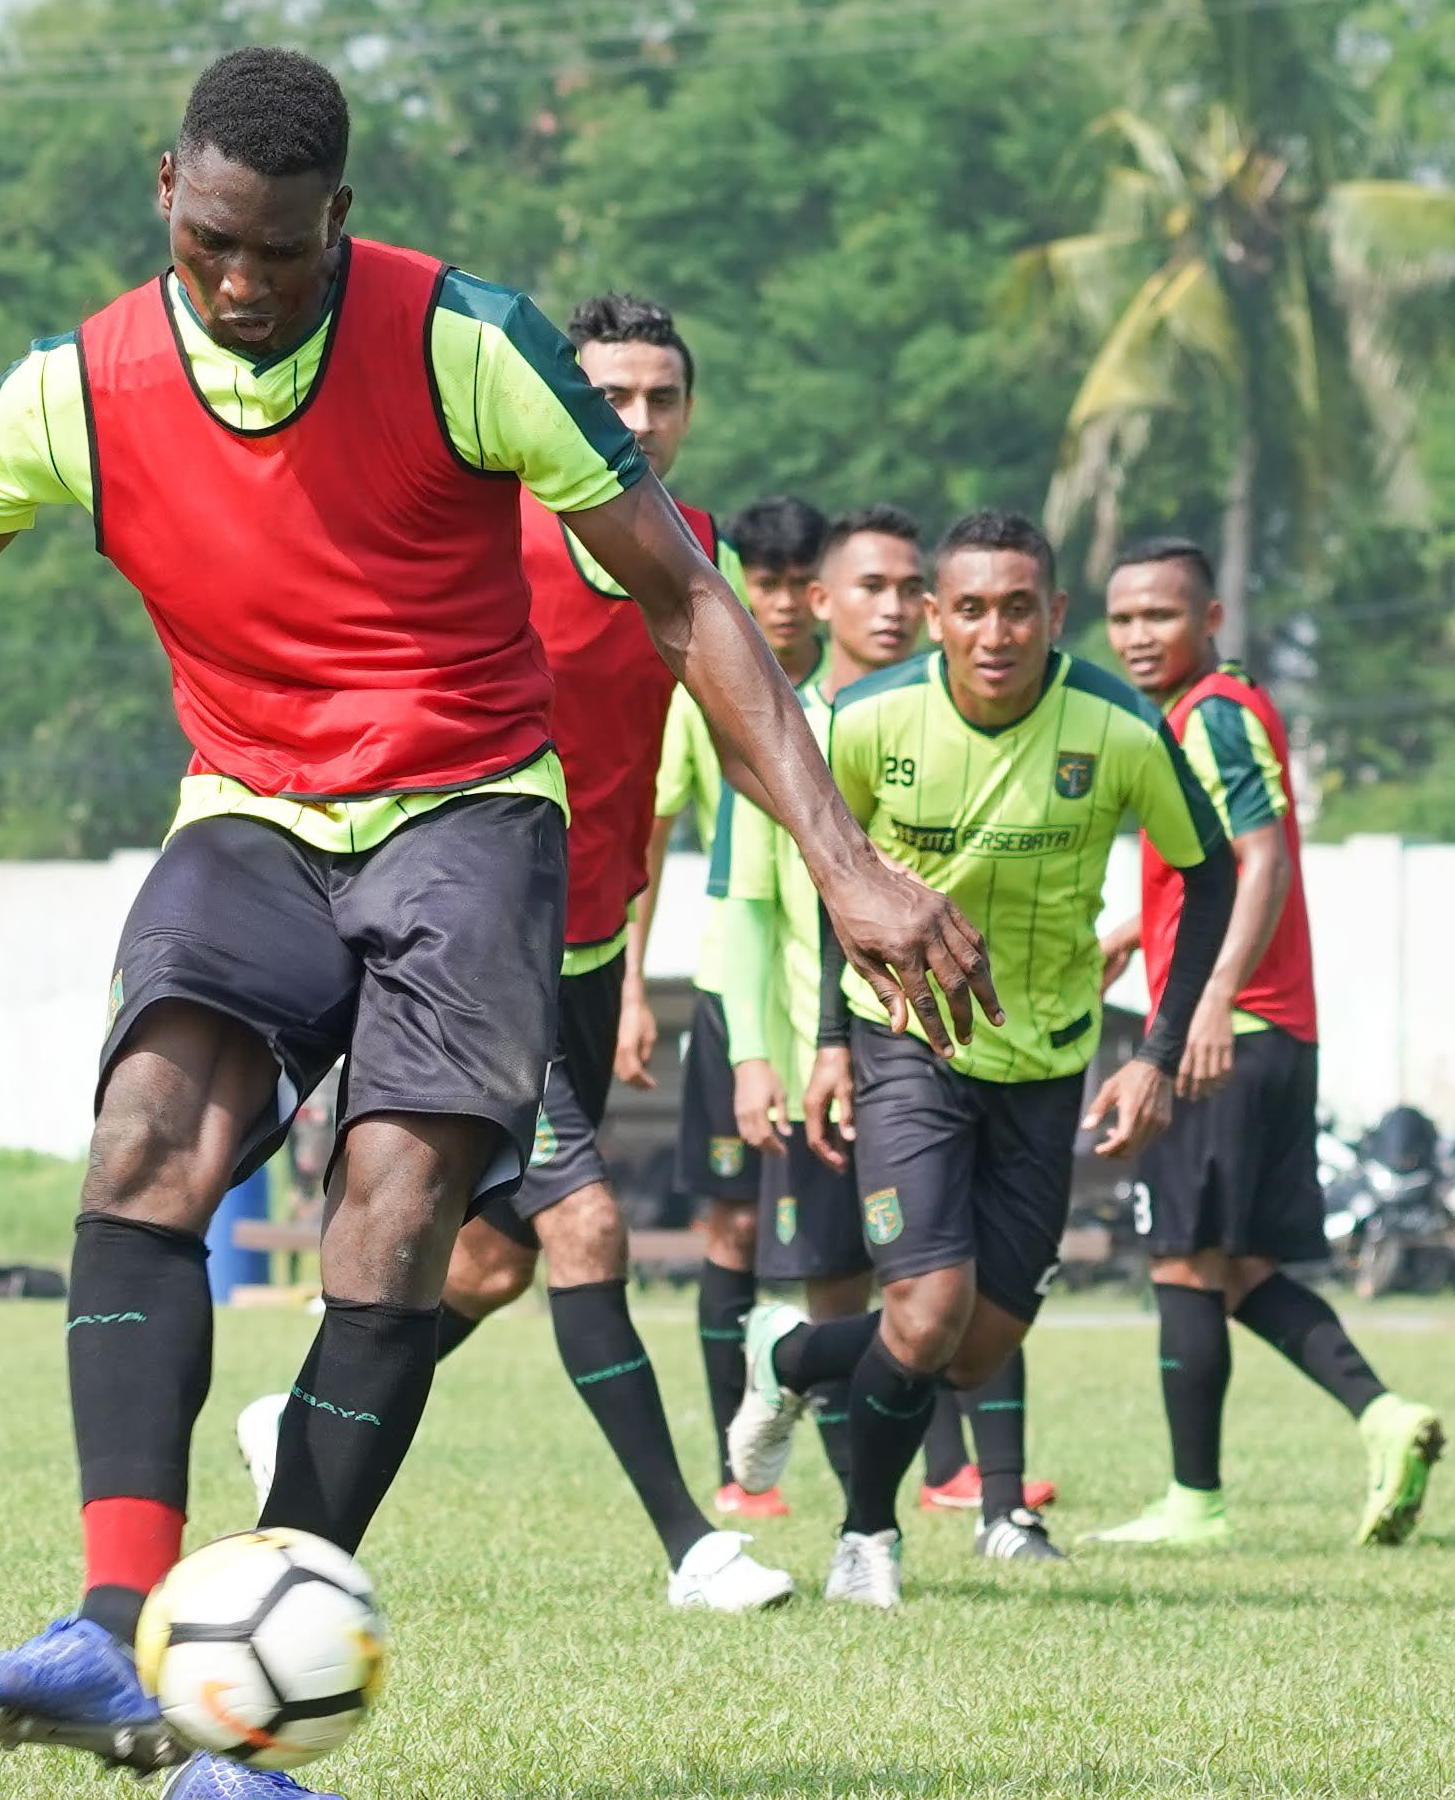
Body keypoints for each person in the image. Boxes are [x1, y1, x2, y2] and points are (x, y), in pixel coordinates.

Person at [0, 49, 993, 1797]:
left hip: (465, 808)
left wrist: (837, 856)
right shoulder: (79, 384)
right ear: (165, 190)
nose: (235, 286)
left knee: (397, 1212)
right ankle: (106, 1619)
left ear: (337, 226)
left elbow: (682, 594)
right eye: (210, 240)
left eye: (276, 254)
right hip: (248, 810)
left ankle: (247, 1700)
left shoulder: (465, 339)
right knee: (146, 1131)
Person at [251, 294, 793, 1611]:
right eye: (608, 398)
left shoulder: (693, 549)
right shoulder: (483, 537)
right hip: (468, 948)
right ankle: (691, 1543)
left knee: (484, 1260)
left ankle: (300, 1420)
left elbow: (702, 756)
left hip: (589, 953)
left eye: (661, 398)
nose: (638, 422)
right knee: (588, 1225)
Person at [727, 508, 1235, 1609]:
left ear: (1052, 613)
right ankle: (866, 1538)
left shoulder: (1118, 727)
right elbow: (837, 877)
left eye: (1017, 608)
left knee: (971, 1343)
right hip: (906, 1036)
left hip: (1049, 1056)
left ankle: (790, 1359)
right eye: (969, 608)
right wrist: (825, 1041)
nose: (994, 631)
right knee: (923, 1308)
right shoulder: (863, 718)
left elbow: (1210, 875)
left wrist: (1151, 1049)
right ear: (931, 616)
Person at [1088, 536, 1443, 1550]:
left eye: (1159, 615)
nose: (1136, 635)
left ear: (1209, 619)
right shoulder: (1209, 713)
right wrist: (1132, 930)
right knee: (1238, 1267)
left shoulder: (1210, 717)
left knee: (1181, 1261)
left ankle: (1191, 1501)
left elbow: (1260, 860)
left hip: (1227, 1035)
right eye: (1121, 618)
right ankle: (1383, 1418)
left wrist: (1203, 1001)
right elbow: (1199, 874)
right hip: (1269, 1029)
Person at [618, 495, 828, 1518]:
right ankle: (732, 1472)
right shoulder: (702, 684)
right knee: (731, 1229)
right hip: (734, 992)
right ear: (736, 578)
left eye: (798, 581)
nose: (781, 603)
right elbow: (651, 840)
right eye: (764, 579)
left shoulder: (862, 691)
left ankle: (950, 1472)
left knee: (891, 1240)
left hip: (844, 994)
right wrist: (628, 982)